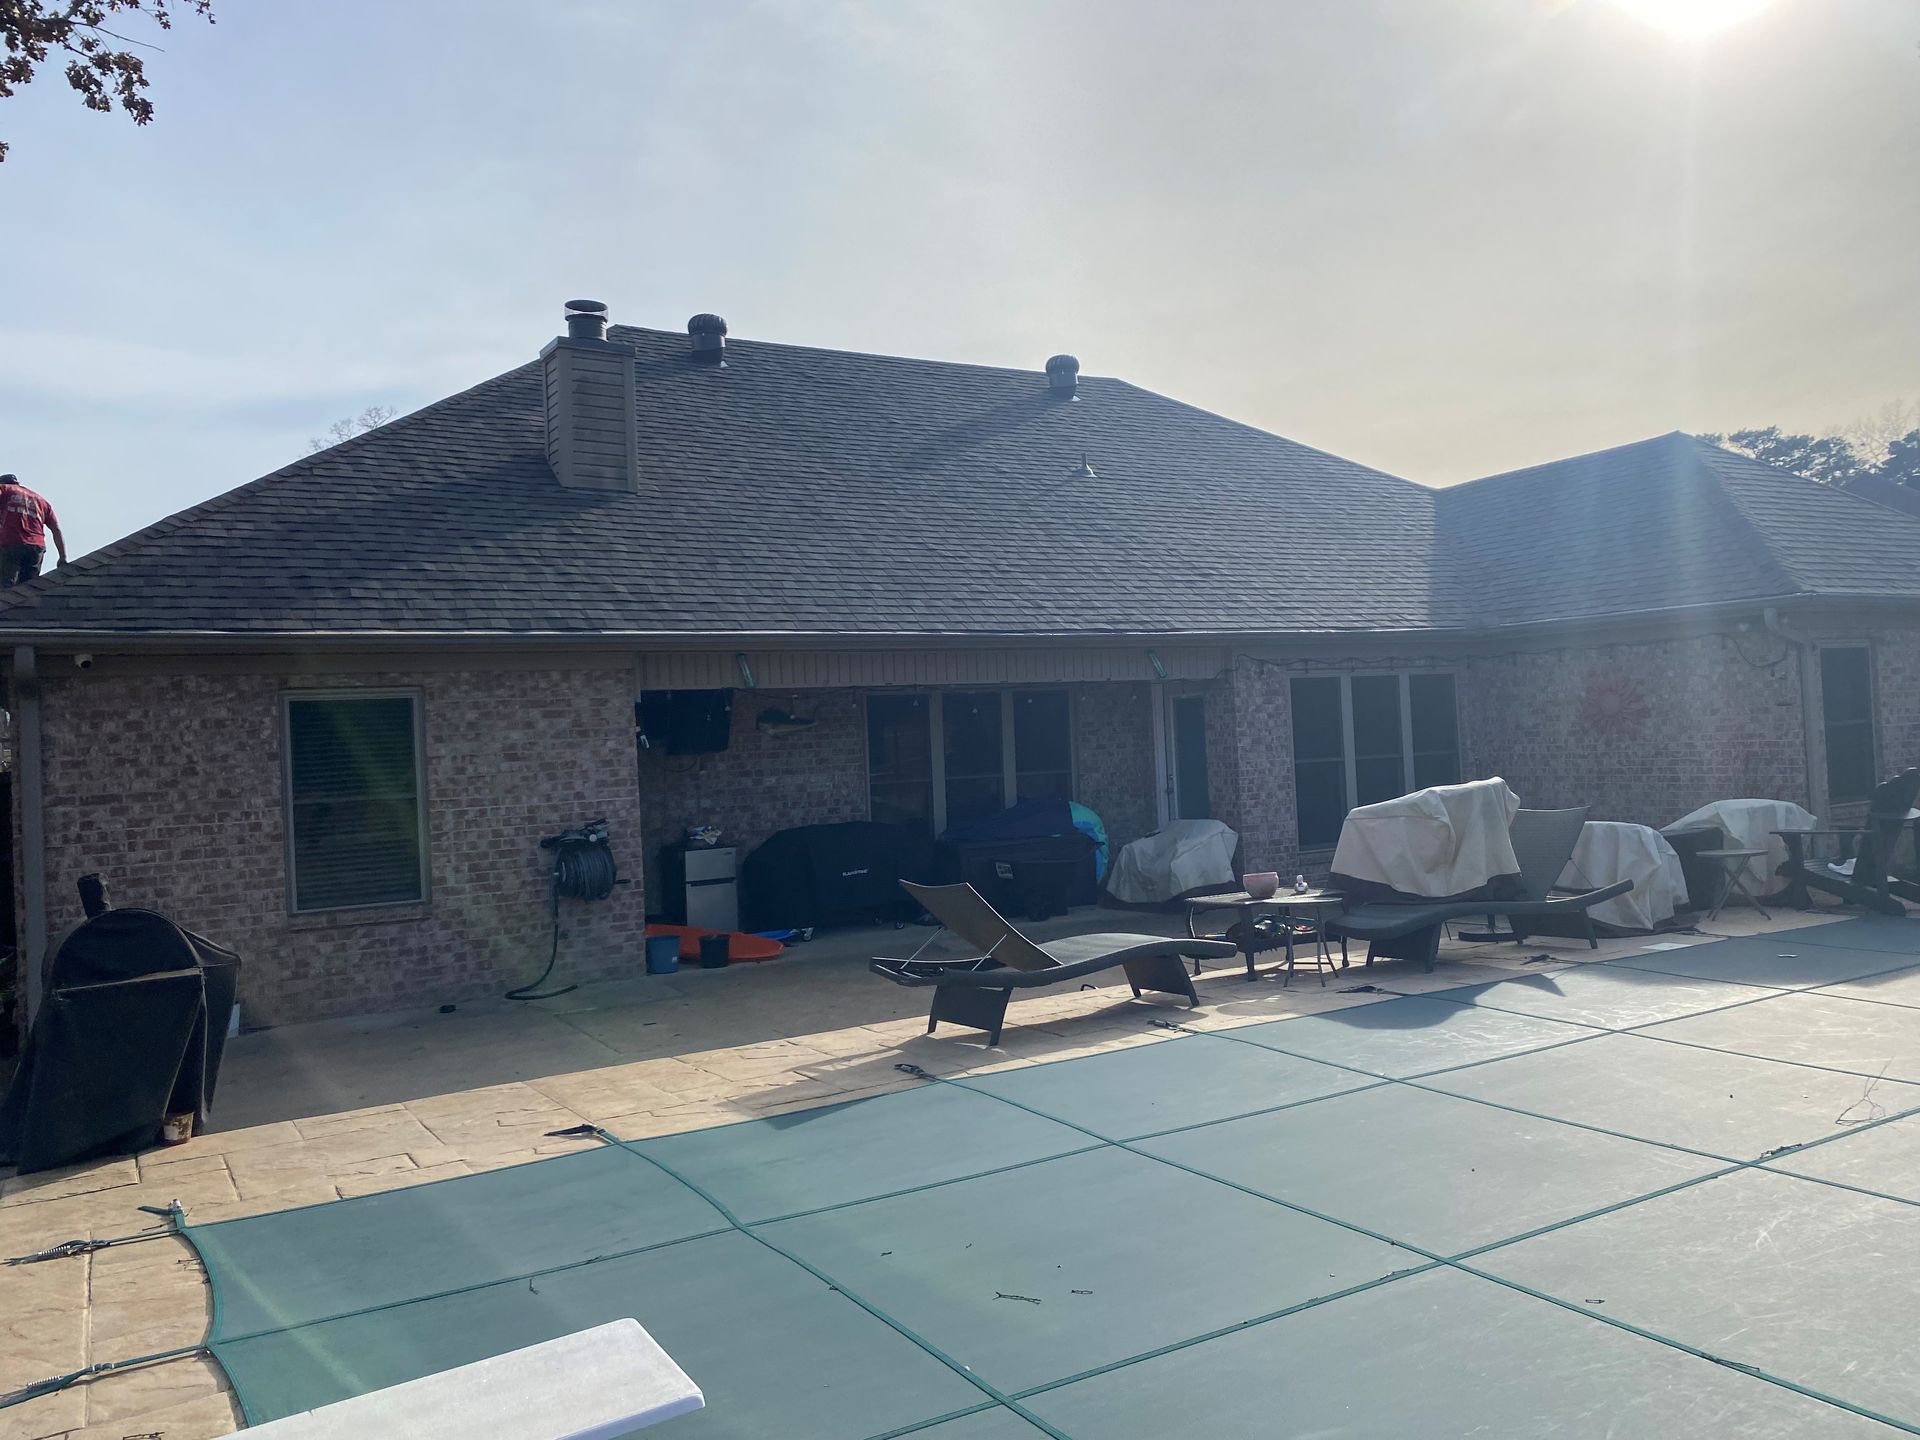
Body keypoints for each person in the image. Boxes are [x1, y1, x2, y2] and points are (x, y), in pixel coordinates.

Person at [0, 474, 67, 586]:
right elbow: (56, 529)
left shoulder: (4, 489)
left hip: (11, 543)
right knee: (28, 589)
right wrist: (62, 557)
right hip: (36, 548)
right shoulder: (41, 501)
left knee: (5, 587)